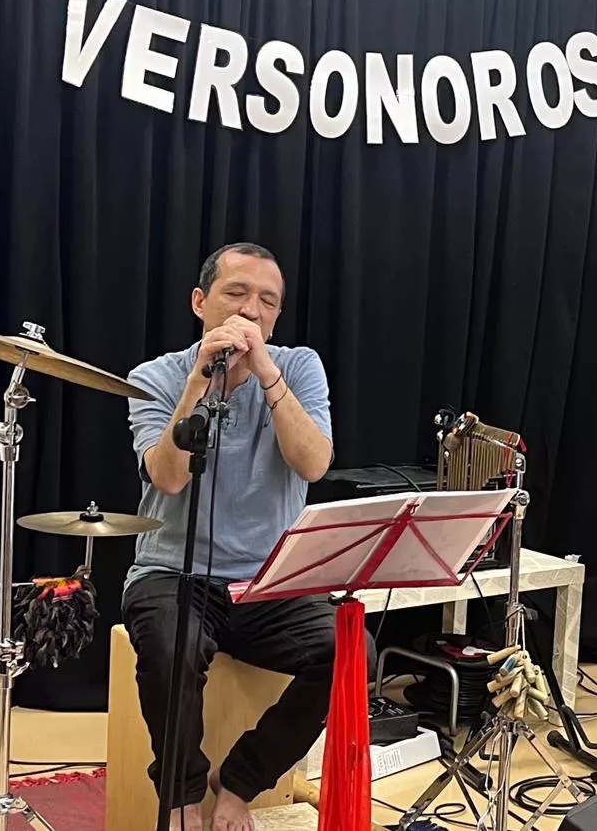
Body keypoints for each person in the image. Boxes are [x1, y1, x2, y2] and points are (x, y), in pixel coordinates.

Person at [123, 242, 366, 831]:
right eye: (237, 293)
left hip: (270, 579)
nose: (252, 311)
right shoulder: (154, 376)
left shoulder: (299, 366)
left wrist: (264, 372)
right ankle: (180, 797)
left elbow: (313, 464)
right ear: (200, 301)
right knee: (169, 648)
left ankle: (239, 784)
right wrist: (200, 385)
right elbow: (168, 476)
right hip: (171, 571)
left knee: (346, 653)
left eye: (268, 301)